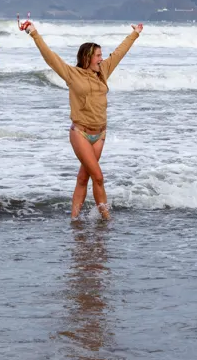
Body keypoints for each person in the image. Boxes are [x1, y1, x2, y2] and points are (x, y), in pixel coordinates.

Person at [23, 21, 142, 220]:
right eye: (97, 55)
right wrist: (33, 33)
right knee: (98, 176)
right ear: (87, 57)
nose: (101, 59)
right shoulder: (72, 74)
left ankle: (74, 218)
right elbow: (50, 57)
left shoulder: (103, 71)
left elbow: (119, 53)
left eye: (101, 55)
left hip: (100, 133)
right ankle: (106, 218)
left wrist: (135, 34)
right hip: (81, 133)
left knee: (83, 177)